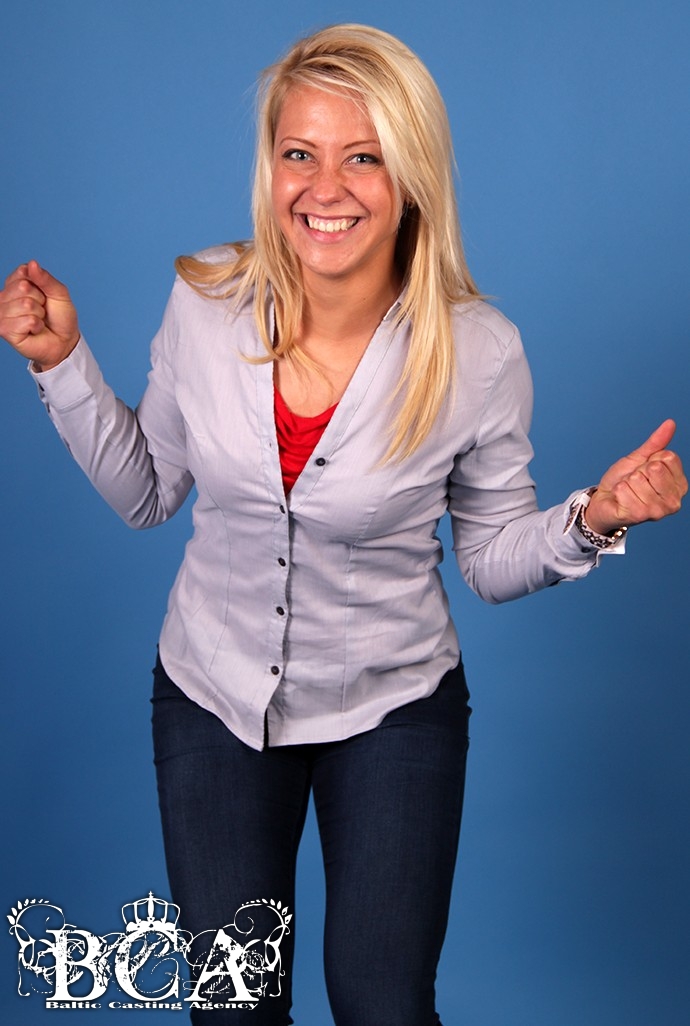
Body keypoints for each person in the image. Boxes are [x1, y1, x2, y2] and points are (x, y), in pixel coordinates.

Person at [0, 22, 686, 1026]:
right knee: (234, 1009)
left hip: (393, 705)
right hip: (212, 696)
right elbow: (147, 491)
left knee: (382, 1003)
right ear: (270, 167)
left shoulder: (480, 353)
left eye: (363, 157)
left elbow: (491, 559)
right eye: (300, 153)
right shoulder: (204, 301)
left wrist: (595, 517)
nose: (326, 188)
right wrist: (62, 365)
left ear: (411, 179)